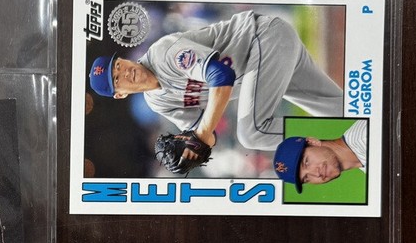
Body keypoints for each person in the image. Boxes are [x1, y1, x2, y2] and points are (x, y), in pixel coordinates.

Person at [88, 10, 343, 152]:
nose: (124, 72)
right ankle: (354, 136)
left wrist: (201, 134)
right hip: (266, 66)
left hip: (263, 39)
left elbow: (221, 75)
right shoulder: (158, 102)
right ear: (120, 94)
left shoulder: (163, 54)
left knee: (252, 133)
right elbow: (206, 135)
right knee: (342, 112)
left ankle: (335, 146)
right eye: (116, 78)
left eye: (118, 65)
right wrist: (192, 151)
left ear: (123, 59)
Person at [273, 120, 367, 190]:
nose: (316, 174)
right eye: (306, 178)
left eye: (306, 162)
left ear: (313, 142)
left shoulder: (364, 138)